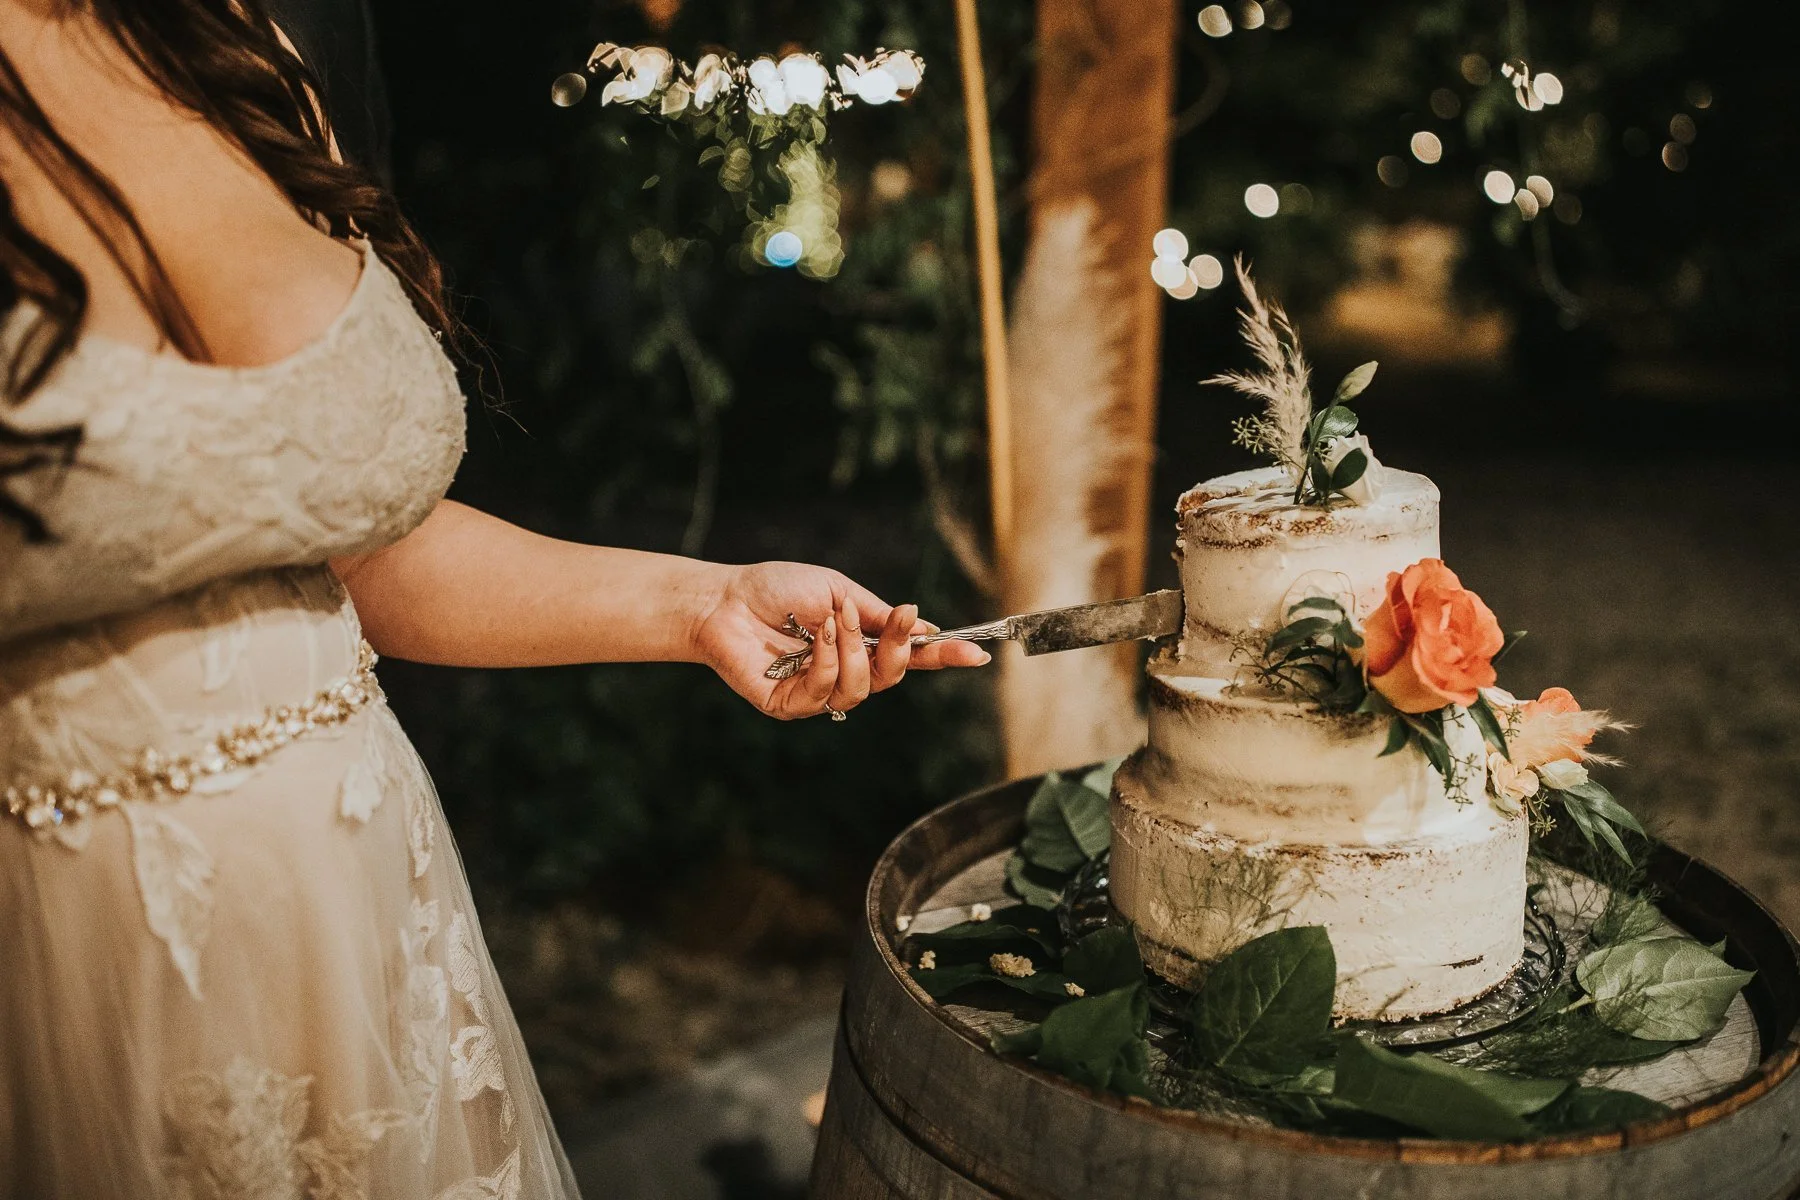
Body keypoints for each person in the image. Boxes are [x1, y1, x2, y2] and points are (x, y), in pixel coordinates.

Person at [0, 2, 987, 1195]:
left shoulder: (236, 38)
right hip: (71, 948)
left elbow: (348, 544)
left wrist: (701, 603)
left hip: (364, 917)